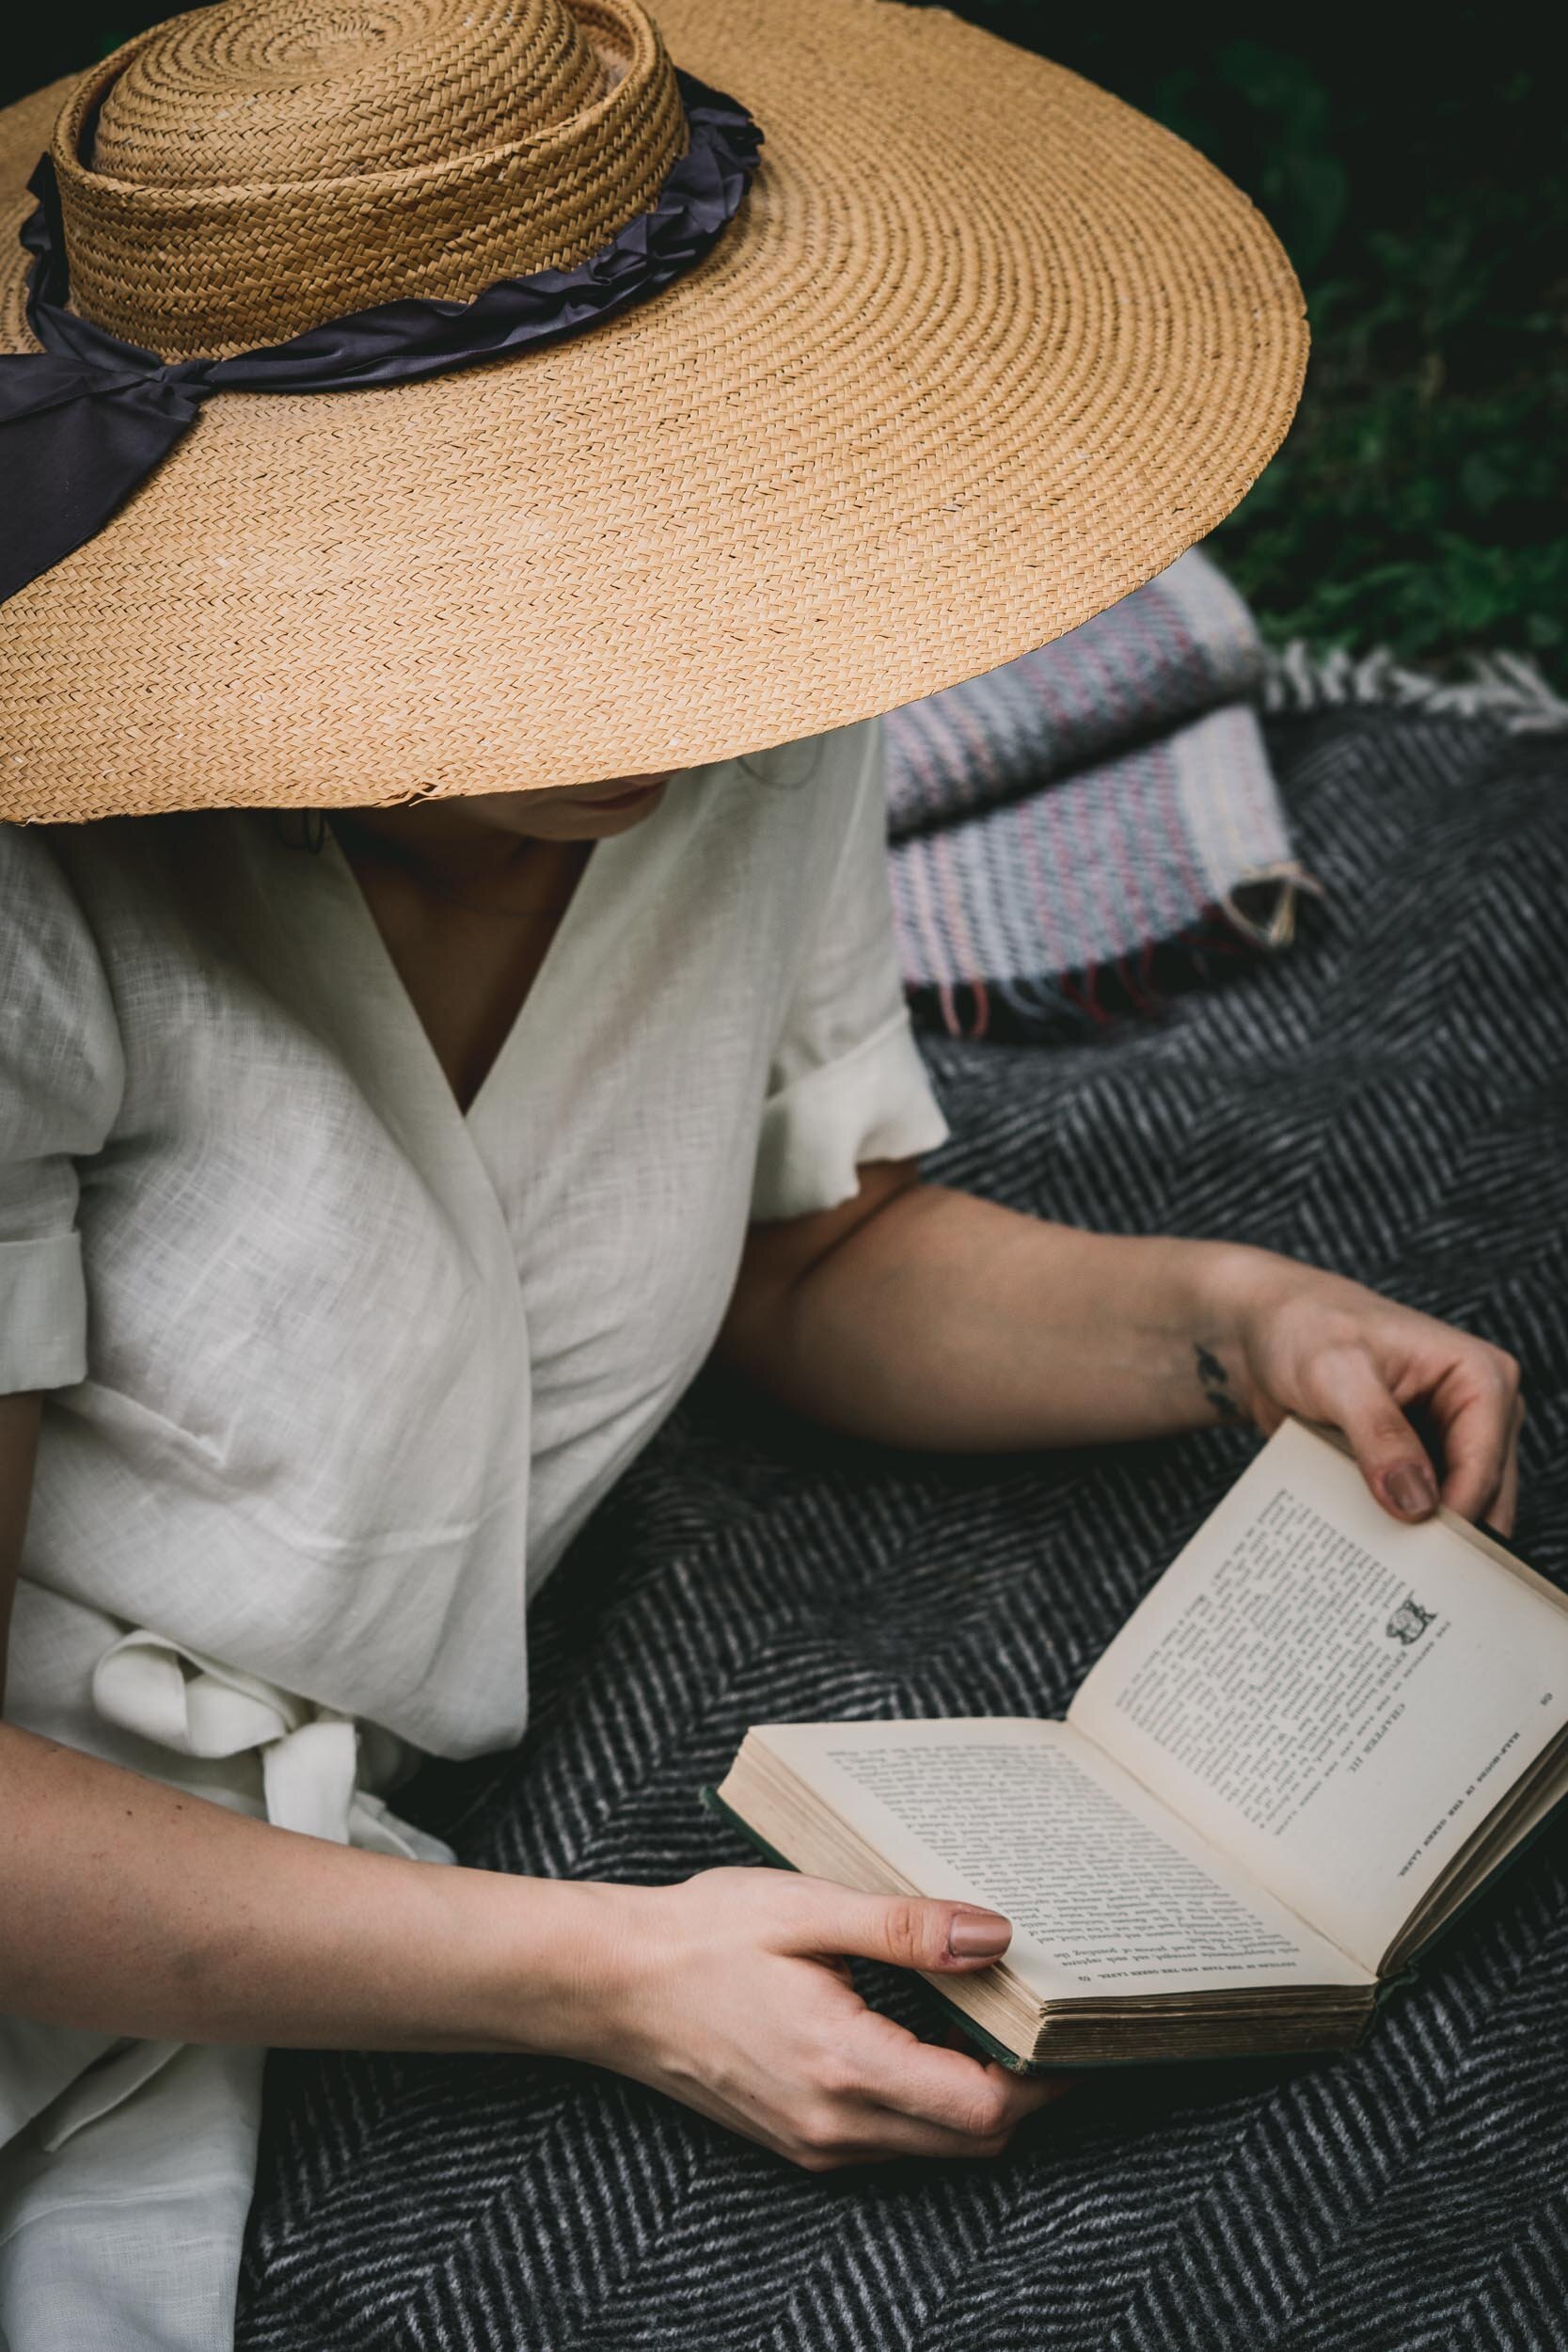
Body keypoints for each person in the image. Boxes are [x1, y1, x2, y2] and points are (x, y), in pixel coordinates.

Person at [0, 0, 1522, 2343]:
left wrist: (1222, 1321)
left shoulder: (745, 689)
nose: (631, 671)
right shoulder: (42, 914)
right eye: (503, 557)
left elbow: (810, 1255)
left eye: (653, 507)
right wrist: (610, 1975)